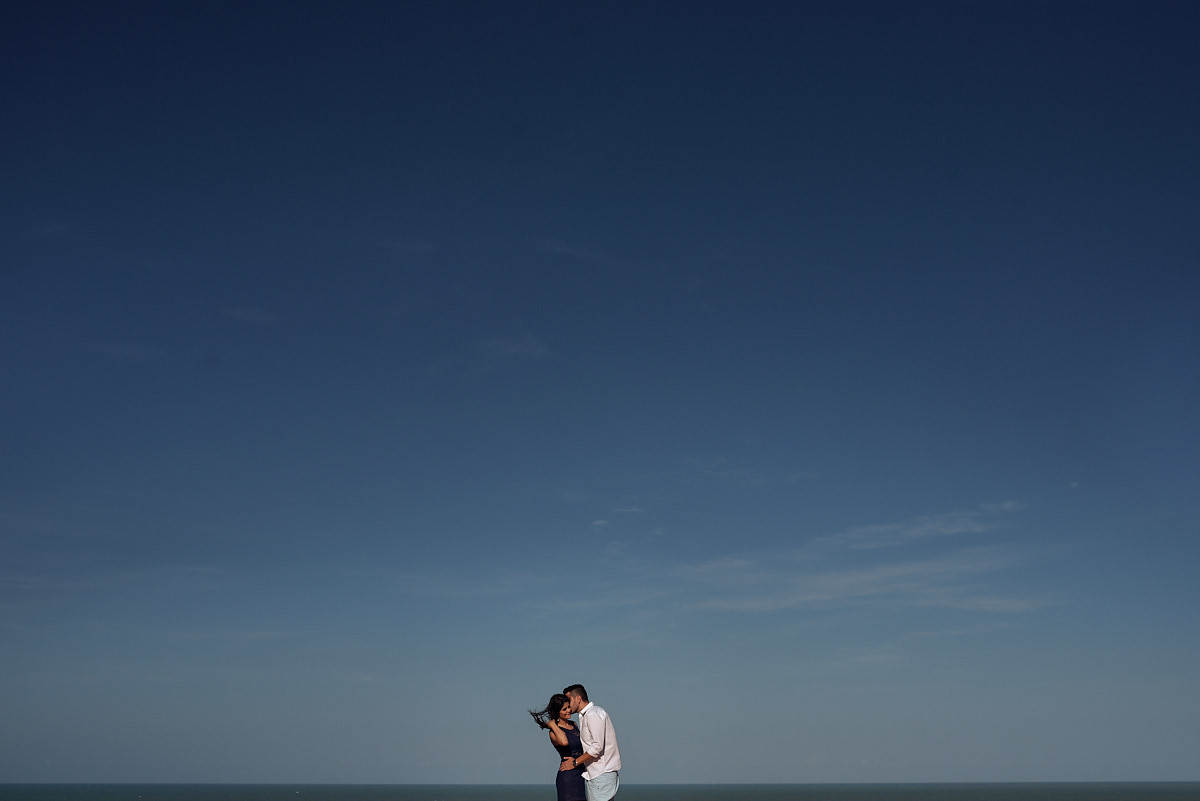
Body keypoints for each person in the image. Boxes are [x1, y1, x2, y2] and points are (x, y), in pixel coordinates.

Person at [561, 684, 621, 801]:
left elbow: (597, 747)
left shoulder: (593, 714)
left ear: (578, 699)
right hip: (597, 774)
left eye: (569, 700)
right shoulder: (587, 715)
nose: (567, 704)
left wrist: (575, 763)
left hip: (601, 773)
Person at [529, 693, 587, 801]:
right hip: (567, 776)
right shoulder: (553, 732)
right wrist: (552, 724)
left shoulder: (574, 724)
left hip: (580, 772)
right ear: (557, 712)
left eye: (569, 707)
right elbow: (564, 742)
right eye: (564, 709)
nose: (568, 710)